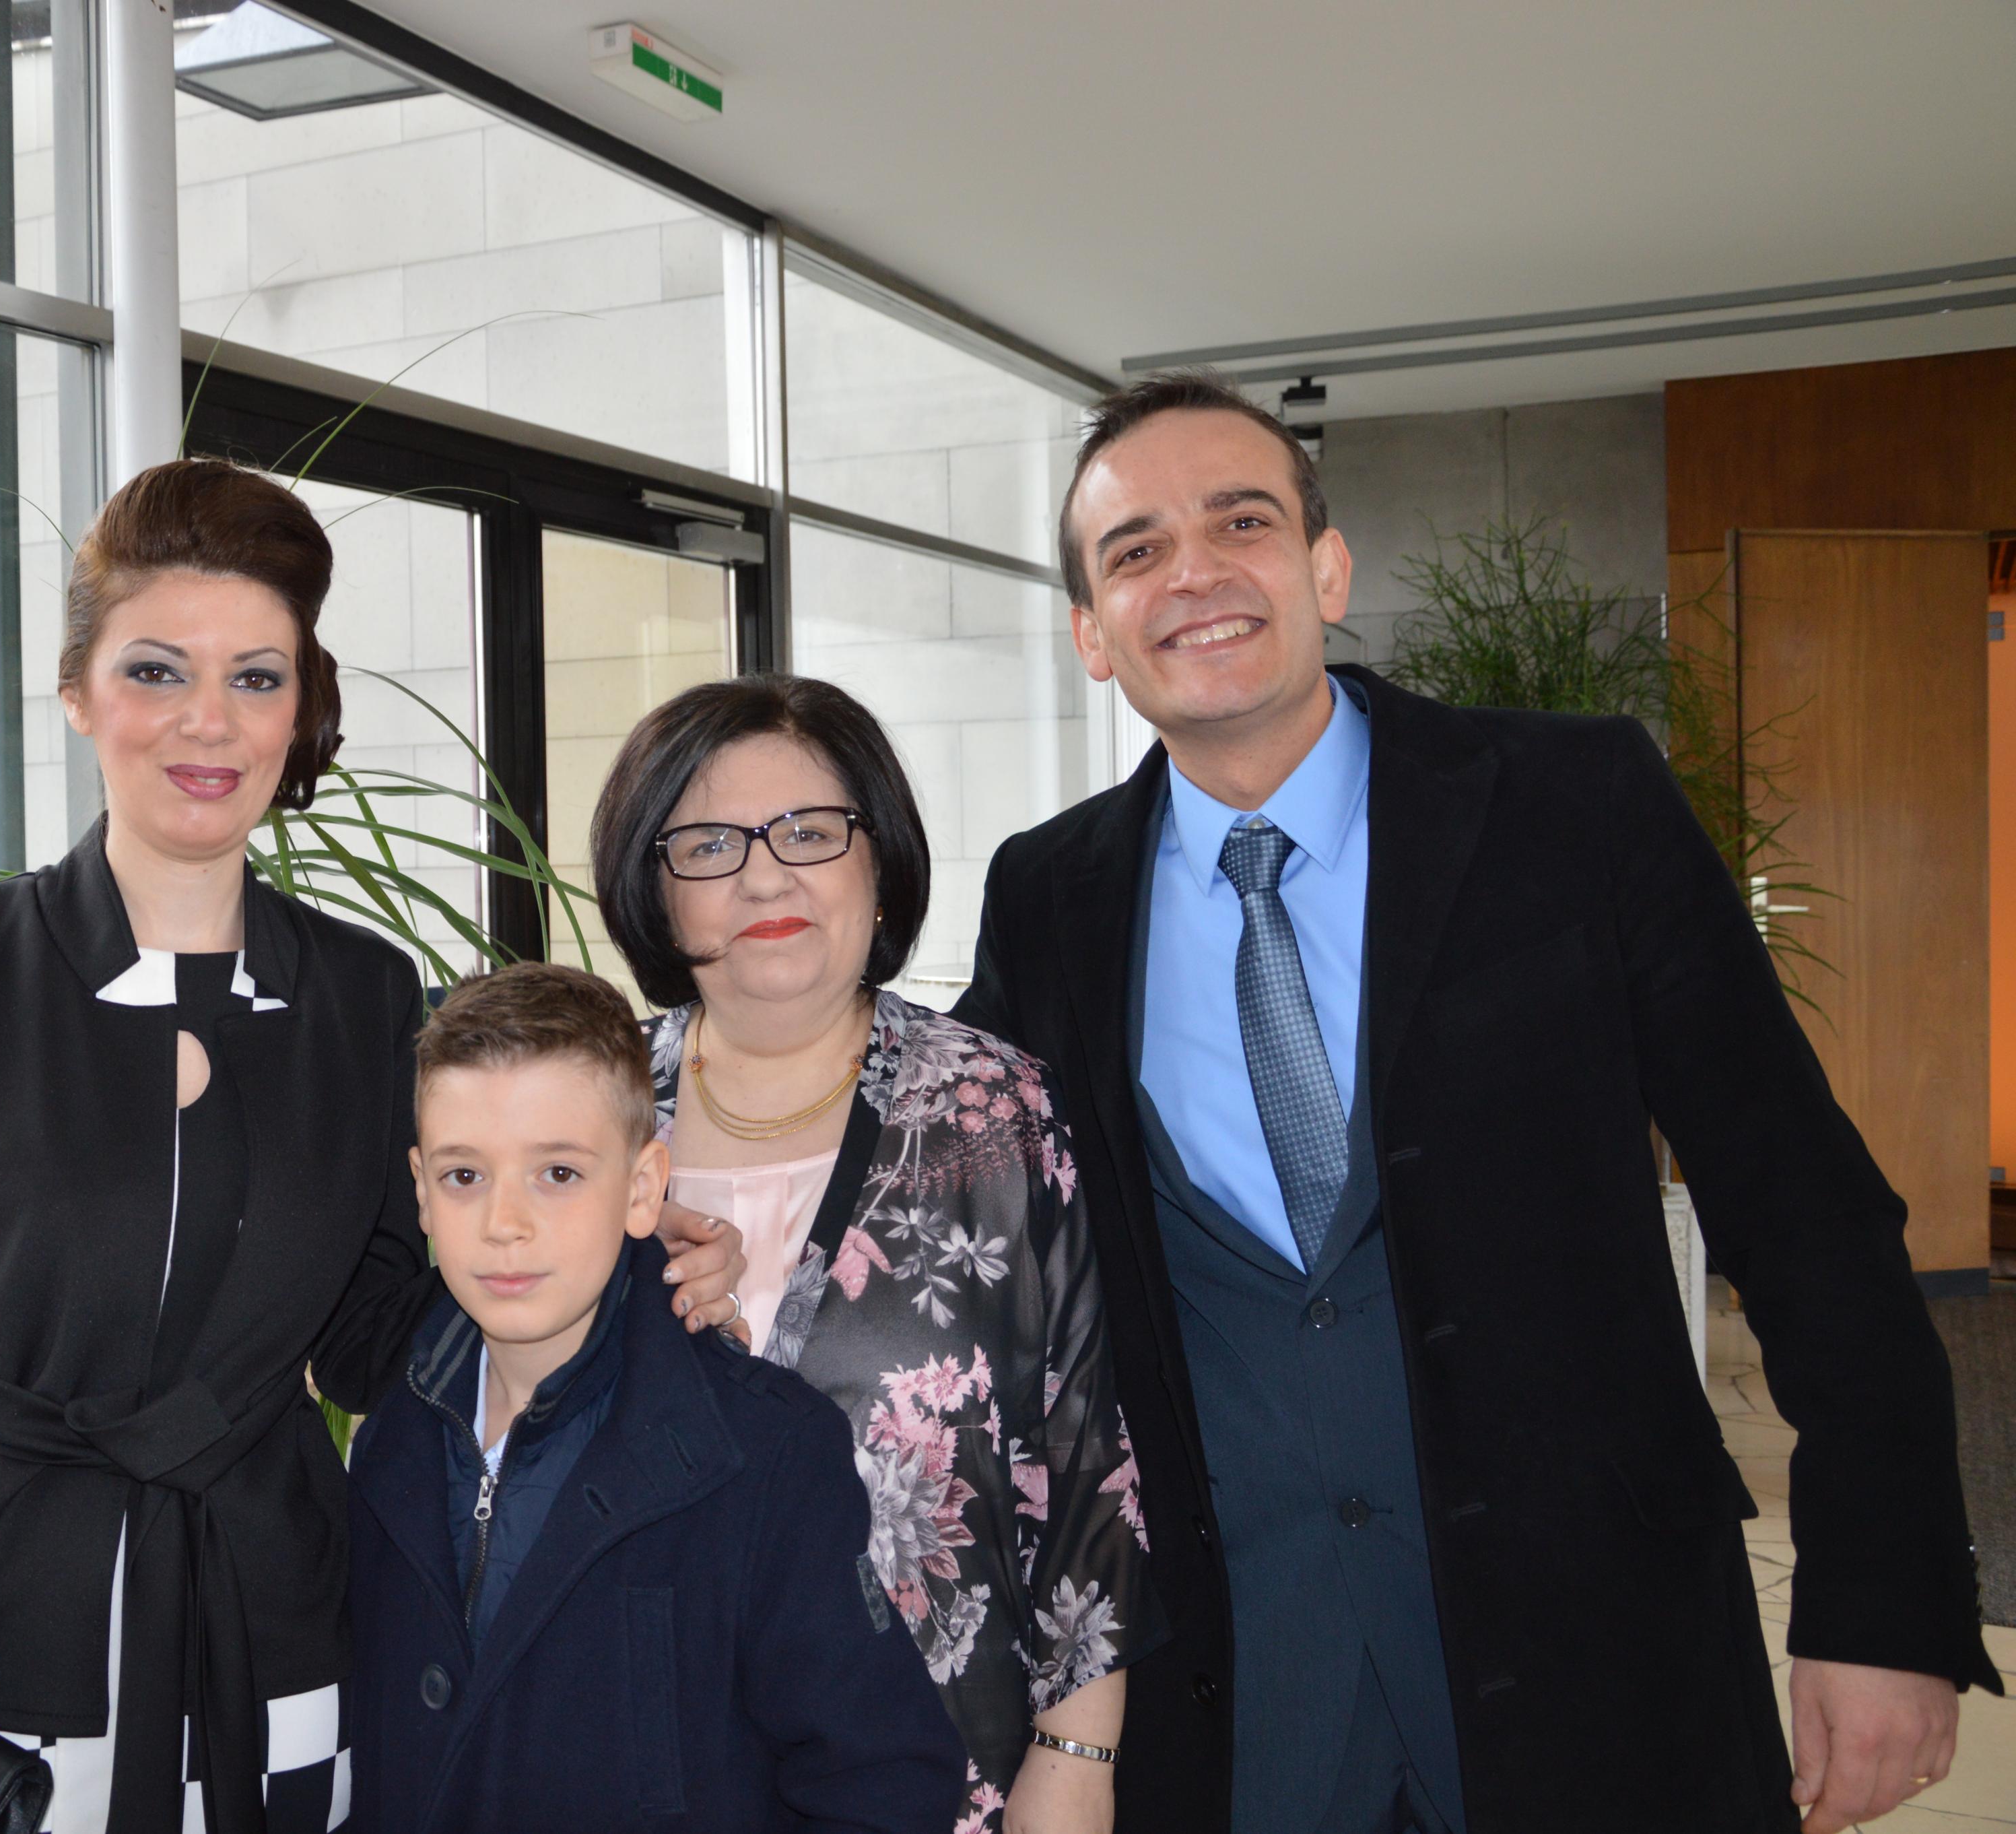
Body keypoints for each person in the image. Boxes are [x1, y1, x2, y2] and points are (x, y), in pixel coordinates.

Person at [955, 372, 2000, 1834]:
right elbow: (948, 1196)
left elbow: (1801, 1206)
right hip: (1238, 1696)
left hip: (1592, 1653)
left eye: (1240, 523)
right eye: (1135, 551)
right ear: (1089, 630)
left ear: (1326, 568)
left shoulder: (1575, 800)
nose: (1190, 573)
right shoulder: (1048, 893)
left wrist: (1880, 1604)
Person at [0, 459, 746, 1834]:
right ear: (78, 692)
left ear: (299, 710)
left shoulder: (363, 992)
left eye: (256, 677)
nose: (208, 720)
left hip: (274, 1630)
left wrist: (612, 1263)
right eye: (155, 670)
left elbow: (369, 1338)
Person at [589, 676, 1164, 1834]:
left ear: (880, 860)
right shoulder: (585, 1120)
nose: (766, 878)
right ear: (654, 888)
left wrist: (1075, 1757)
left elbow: (1089, 1453)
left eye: (809, 831)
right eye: (709, 844)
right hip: (634, 1763)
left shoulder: (997, 1112)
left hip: (944, 1767)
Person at [344, 962, 967, 1832]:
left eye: (558, 1173)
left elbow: (887, 1783)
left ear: (642, 1189)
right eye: (464, 1177)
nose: (504, 1223)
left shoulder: (766, 1456)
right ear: (420, 1191)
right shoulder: (389, 1445)